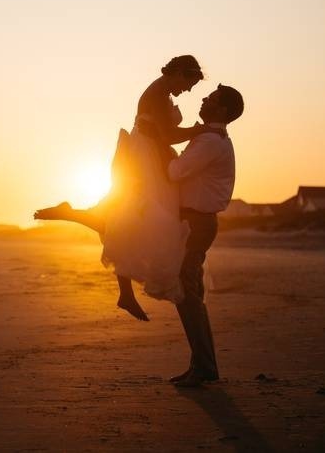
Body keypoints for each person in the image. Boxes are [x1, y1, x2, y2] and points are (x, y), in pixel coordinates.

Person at [35, 55, 212, 321]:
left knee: (125, 218)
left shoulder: (161, 92)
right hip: (143, 161)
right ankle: (124, 290)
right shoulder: (156, 93)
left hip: (147, 156)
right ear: (178, 72)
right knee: (131, 219)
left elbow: (163, 134)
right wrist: (200, 130)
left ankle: (123, 290)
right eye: (189, 83)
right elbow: (168, 136)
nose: (187, 90)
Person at [167, 83, 244, 388]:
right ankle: (202, 364)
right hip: (195, 222)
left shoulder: (211, 141)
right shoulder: (210, 138)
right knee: (191, 293)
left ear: (222, 110)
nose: (203, 99)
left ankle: (204, 366)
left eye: (210, 98)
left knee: (187, 293)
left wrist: (157, 151)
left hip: (197, 223)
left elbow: (175, 172)